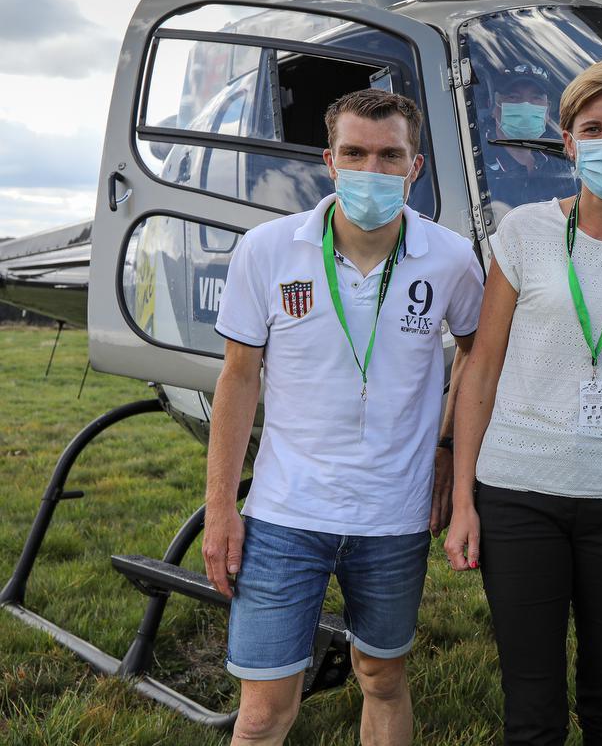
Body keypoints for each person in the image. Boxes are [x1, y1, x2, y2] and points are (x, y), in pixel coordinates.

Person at [203, 88, 484, 746]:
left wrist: (445, 447)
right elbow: (238, 377)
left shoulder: (449, 258)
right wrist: (220, 505)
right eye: (355, 153)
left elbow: (477, 354)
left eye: (390, 155)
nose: (372, 170)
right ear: (330, 161)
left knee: (382, 676)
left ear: (416, 167)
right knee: (263, 712)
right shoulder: (268, 250)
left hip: (394, 515)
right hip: (283, 513)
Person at [444, 57, 602, 746]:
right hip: (519, 490)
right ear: (567, 141)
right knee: (532, 705)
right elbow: (481, 370)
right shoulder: (525, 232)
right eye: (593, 127)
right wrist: (464, 499)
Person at [481, 62, 576, 212]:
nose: (526, 105)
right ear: (493, 106)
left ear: (547, 110)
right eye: (513, 97)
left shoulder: (560, 162)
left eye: (536, 98)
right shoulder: (475, 163)